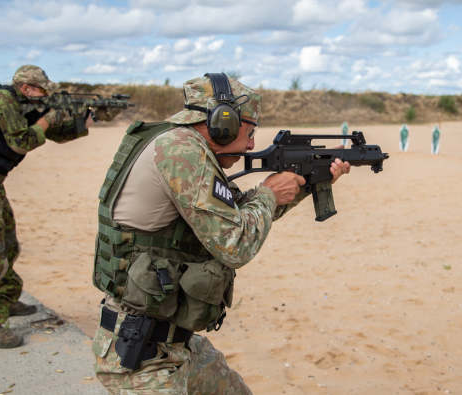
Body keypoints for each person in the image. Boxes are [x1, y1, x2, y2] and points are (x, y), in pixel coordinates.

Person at [91, 73, 350, 393]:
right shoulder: (180, 150)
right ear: (222, 122)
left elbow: (234, 215)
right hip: (140, 356)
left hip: (173, 341)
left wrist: (302, 185)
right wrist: (269, 193)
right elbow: (235, 244)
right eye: (250, 130)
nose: (253, 144)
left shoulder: (179, 143)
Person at [0, 65, 119, 349]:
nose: (44, 94)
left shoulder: (24, 105)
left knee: (9, 245)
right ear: (25, 87)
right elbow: (21, 141)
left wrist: (87, 119)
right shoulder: (3, 100)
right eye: (41, 90)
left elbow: (57, 135)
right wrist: (50, 117)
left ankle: (5, 299)